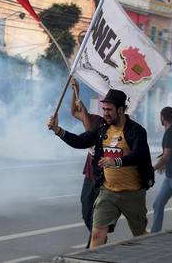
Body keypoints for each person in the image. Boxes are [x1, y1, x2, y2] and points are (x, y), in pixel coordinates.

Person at [48, 89, 154, 248]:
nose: (105, 113)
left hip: (132, 193)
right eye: (104, 109)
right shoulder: (102, 129)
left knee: (140, 235)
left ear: (121, 110)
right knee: (97, 235)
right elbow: (80, 141)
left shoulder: (136, 131)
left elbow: (140, 155)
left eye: (109, 110)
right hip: (108, 192)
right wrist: (58, 130)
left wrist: (115, 162)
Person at [69, 78, 102, 248]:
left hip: (101, 177)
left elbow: (90, 131)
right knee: (85, 208)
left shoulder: (105, 125)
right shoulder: (94, 118)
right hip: (89, 174)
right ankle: (98, 237)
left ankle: (95, 241)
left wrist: (85, 110)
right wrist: (75, 91)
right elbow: (74, 111)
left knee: (97, 213)